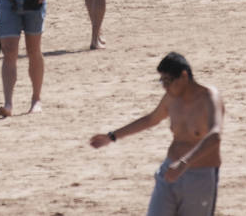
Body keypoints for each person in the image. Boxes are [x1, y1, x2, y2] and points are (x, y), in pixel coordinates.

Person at [89, 52, 224, 216]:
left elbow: (215, 135)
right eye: (162, 81)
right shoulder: (172, 99)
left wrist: (184, 163)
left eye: (168, 81)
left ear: (184, 76)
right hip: (169, 173)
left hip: (199, 177)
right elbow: (151, 119)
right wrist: (112, 136)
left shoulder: (209, 97)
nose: (165, 87)